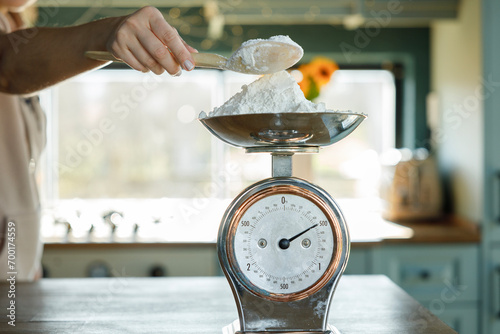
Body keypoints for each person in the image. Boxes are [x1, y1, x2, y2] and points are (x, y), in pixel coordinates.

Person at [0, 1, 197, 281]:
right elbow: (7, 63)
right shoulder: (13, 43)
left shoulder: (17, 25)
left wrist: (29, 261)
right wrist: (108, 33)